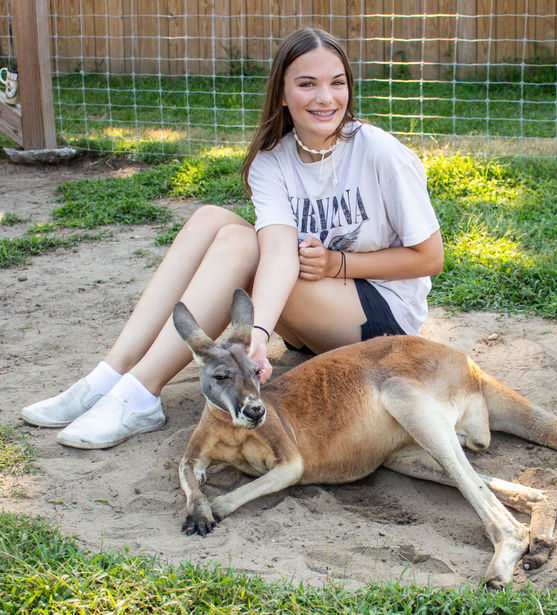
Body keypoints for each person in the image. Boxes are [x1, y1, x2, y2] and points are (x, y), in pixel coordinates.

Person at [20, 27, 444, 450]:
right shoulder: (272, 159)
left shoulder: (380, 153)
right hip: (309, 306)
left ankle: (141, 393)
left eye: (337, 83)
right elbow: (278, 251)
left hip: (382, 321)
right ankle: (110, 374)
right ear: (281, 93)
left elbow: (429, 257)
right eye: (306, 84)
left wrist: (339, 265)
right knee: (210, 221)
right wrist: (260, 338)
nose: (325, 98)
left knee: (241, 246)